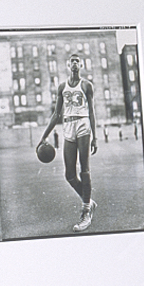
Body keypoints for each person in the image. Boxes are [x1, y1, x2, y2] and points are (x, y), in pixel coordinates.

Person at [50, 52, 100, 230]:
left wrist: (95, 136)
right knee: (69, 174)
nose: (74, 64)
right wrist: (43, 136)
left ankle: (86, 211)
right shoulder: (62, 86)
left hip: (83, 124)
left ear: (81, 66)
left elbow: (92, 112)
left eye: (77, 62)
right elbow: (56, 114)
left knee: (84, 170)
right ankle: (89, 201)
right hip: (68, 126)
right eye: (72, 61)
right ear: (67, 65)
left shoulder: (87, 85)